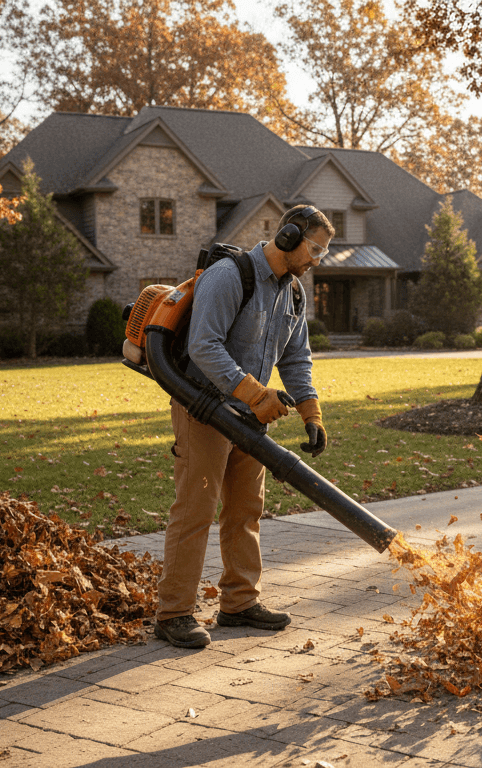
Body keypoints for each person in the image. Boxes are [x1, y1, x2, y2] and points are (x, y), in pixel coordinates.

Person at [154, 205, 334, 649]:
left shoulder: (293, 292)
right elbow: (203, 345)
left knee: (244, 511)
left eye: (323, 253)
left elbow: (295, 356)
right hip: (204, 408)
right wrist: (256, 394)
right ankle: (174, 613)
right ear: (289, 237)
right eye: (314, 249)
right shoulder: (230, 276)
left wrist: (311, 413)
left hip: (250, 418)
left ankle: (239, 603)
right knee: (195, 511)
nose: (316, 260)